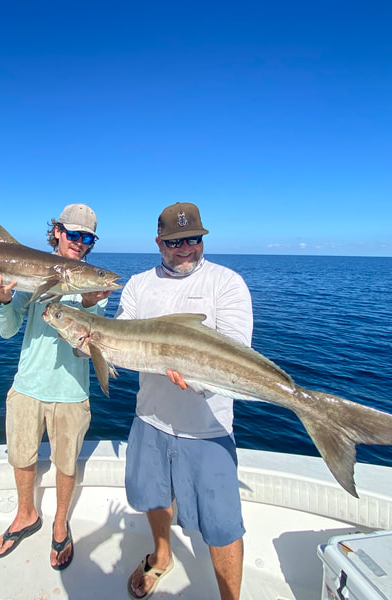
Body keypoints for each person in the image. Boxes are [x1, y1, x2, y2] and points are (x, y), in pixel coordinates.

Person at [114, 202, 253, 600]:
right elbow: (121, 336)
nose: (186, 248)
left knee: (222, 523)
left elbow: (237, 352)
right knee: (152, 497)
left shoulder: (226, 283)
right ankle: (162, 557)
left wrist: (195, 376)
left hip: (207, 427)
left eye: (193, 239)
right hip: (150, 417)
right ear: (159, 242)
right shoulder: (139, 284)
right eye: (175, 242)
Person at [0, 203, 112, 570]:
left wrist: (89, 307)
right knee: (21, 458)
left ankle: (59, 522)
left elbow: (89, 348)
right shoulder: (28, 271)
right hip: (27, 385)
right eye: (74, 234)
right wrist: (2, 300)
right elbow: (7, 331)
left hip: (71, 392)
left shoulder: (95, 286)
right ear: (57, 232)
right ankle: (26, 516)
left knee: (65, 464)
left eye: (88, 238)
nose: (80, 243)